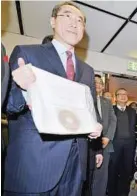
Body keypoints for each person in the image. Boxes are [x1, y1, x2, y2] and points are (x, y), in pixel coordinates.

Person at [4, 2, 101, 195]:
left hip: (75, 165)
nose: (74, 23)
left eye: (79, 20)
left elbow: (91, 111)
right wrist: (21, 88)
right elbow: (8, 105)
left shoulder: (88, 71)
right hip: (35, 164)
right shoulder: (26, 53)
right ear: (53, 22)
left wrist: (96, 125)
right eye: (67, 16)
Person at [91, 75, 117, 196]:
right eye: (94, 82)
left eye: (100, 83)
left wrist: (107, 137)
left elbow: (113, 120)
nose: (97, 84)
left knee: (101, 176)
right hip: (89, 143)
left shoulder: (107, 102)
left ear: (102, 87)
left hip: (105, 144)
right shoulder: (86, 99)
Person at [108, 88, 136, 196]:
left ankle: (124, 193)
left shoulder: (132, 111)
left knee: (127, 171)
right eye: (120, 94)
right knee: (113, 171)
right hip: (115, 145)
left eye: (125, 94)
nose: (123, 96)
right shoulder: (111, 109)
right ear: (116, 97)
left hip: (129, 146)